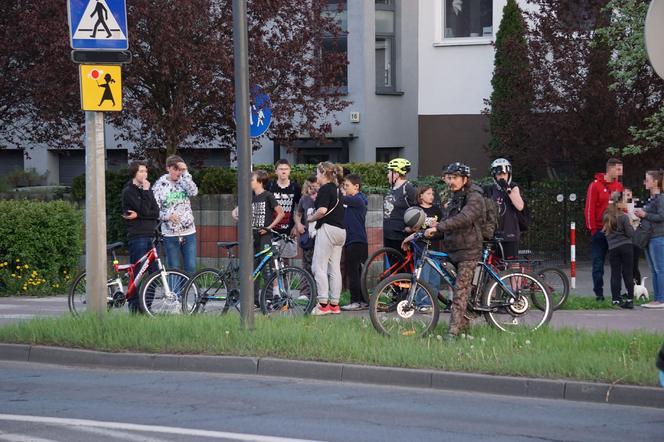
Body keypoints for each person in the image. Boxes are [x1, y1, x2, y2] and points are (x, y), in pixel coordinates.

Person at [424, 162, 484, 341]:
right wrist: (422, 234)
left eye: (455, 178)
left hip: (469, 250)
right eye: (448, 178)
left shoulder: (474, 196)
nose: (451, 181)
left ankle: (453, 333)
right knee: (461, 291)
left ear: (465, 179)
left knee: (460, 292)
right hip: (455, 249)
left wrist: (439, 226)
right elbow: (447, 226)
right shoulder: (454, 198)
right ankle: (464, 328)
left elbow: (465, 218)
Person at [121, 161, 160, 313]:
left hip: (151, 235)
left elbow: (155, 213)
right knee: (137, 274)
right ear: (134, 173)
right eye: (141, 171)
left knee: (155, 274)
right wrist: (146, 191)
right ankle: (135, 308)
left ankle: (145, 307)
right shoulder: (128, 192)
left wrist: (142, 215)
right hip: (137, 237)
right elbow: (145, 209)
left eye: (146, 171)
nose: (144, 174)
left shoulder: (147, 190)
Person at [309, 162, 346, 315]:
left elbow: (322, 210)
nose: (316, 176)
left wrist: (311, 218)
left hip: (328, 229)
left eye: (317, 173)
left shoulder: (325, 189)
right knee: (335, 269)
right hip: (341, 231)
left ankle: (323, 304)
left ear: (324, 173)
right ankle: (335, 304)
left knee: (318, 266)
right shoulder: (337, 190)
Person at [584, 158, 624, 301]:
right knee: (598, 264)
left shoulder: (619, 186)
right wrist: (593, 229)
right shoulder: (595, 186)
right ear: (610, 169)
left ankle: (616, 295)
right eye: (618, 169)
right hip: (600, 231)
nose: (620, 172)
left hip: (615, 230)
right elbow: (590, 208)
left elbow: (621, 207)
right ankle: (599, 294)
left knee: (616, 265)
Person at [153, 155, 199, 275]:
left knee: (191, 266)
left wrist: (186, 173)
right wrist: (167, 216)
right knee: (174, 268)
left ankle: (191, 293)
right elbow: (154, 210)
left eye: (180, 170)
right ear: (168, 168)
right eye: (176, 169)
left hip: (188, 232)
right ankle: (175, 294)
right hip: (170, 233)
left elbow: (194, 192)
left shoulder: (184, 182)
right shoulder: (159, 186)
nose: (178, 173)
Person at [248, 170, 284, 307]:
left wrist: (269, 227)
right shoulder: (250, 197)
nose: (250, 182)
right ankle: (254, 300)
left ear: (260, 182)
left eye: (252, 180)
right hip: (252, 236)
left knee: (267, 268)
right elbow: (237, 211)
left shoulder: (268, 196)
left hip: (265, 237)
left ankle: (269, 298)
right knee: (253, 268)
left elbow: (280, 213)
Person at [485, 158, 525, 259]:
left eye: (504, 174)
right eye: (499, 174)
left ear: (509, 174)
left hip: (510, 234)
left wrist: (507, 189)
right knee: (494, 266)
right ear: (494, 175)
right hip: (494, 234)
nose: (502, 176)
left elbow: (520, 206)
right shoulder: (490, 189)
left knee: (511, 267)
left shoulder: (513, 187)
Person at [635, 169, 664, 309]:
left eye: (647, 180)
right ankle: (657, 298)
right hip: (649, 237)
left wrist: (644, 214)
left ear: (655, 182)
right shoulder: (652, 199)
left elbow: (661, 217)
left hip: (657, 237)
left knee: (659, 269)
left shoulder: (661, 198)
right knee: (654, 270)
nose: (644, 182)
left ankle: (661, 299)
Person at [340, 174, 368, 311]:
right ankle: (363, 300)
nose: (345, 188)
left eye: (347, 186)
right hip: (357, 240)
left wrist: (335, 189)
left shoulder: (357, 200)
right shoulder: (357, 199)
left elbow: (340, 198)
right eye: (344, 186)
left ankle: (355, 300)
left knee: (354, 272)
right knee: (358, 272)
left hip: (355, 240)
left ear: (356, 187)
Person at [602, 192, 635, 309]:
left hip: (613, 248)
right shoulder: (624, 217)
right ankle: (630, 299)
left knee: (615, 274)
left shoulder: (606, 216)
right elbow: (630, 234)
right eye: (624, 201)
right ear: (620, 202)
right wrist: (632, 223)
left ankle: (616, 299)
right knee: (628, 273)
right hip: (626, 247)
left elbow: (605, 233)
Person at [266, 159, 301, 261]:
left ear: (290, 171)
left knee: (286, 260)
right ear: (276, 171)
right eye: (281, 169)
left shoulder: (295, 187)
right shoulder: (270, 186)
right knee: (272, 260)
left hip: (288, 230)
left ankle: (284, 278)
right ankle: (275, 278)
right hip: (271, 229)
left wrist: (296, 226)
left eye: (286, 169)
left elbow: (300, 209)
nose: (283, 171)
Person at [383, 158, 417, 251]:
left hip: (400, 235)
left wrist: (411, 228)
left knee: (402, 265)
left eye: (390, 172)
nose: (388, 175)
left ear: (396, 174)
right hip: (388, 234)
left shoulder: (408, 188)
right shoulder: (392, 189)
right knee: (393, 264)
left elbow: (418, 210)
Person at [294, 176, 319, 277]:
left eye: (316, 186)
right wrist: (298, 224)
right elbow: (298, 214)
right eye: (311, 186)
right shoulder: (304, 199)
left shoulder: (322, 197)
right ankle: (307, 290)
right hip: (308, 235)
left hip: (320, 233)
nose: (313, 188)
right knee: (307, 263)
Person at [623, 188, 643, 284]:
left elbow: (637, 217)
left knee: (634, 265)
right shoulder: (621, 206)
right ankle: (629, 289)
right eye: (625, 195)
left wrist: (628, 214)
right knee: (627, 266)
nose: (628, 197)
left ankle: (638, 285)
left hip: (635, 238)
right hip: (625, 239)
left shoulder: (636, 203)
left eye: (629, 194)